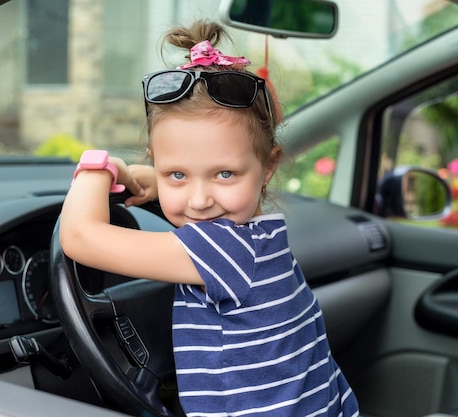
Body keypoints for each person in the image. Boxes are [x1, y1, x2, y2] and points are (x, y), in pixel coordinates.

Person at [59, 19, 359, 417]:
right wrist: (157, 183)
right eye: (177, 174)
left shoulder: (222, 250)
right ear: (157, 165)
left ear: (268, 167)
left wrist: (97, 167)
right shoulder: (261, 237)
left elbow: (80, 237)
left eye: (225, 174)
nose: (199, 201)